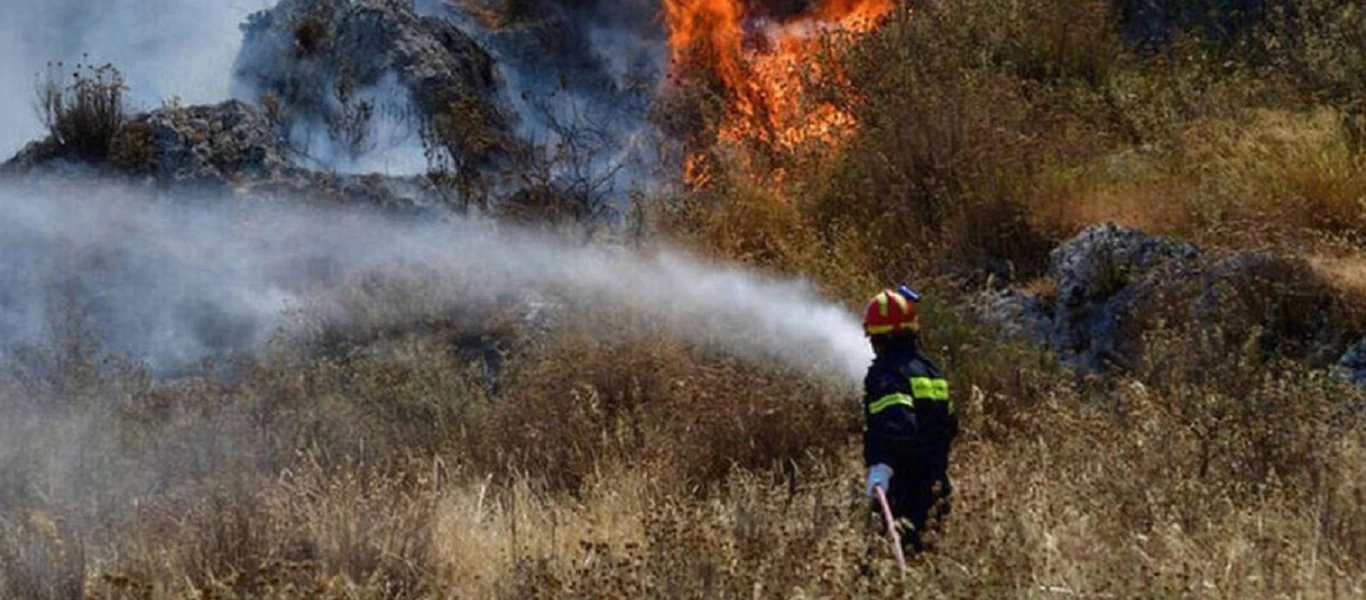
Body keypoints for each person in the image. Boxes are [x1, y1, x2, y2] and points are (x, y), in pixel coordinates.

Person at [861, 285, 958, 556]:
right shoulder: (930, 370)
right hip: (937, 488)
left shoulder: (886, 374)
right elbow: (950, 424)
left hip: (903, 493)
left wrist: (882, 467)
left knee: (885, 567)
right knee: (927, 564)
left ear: (879, 337)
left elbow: (896, 425)